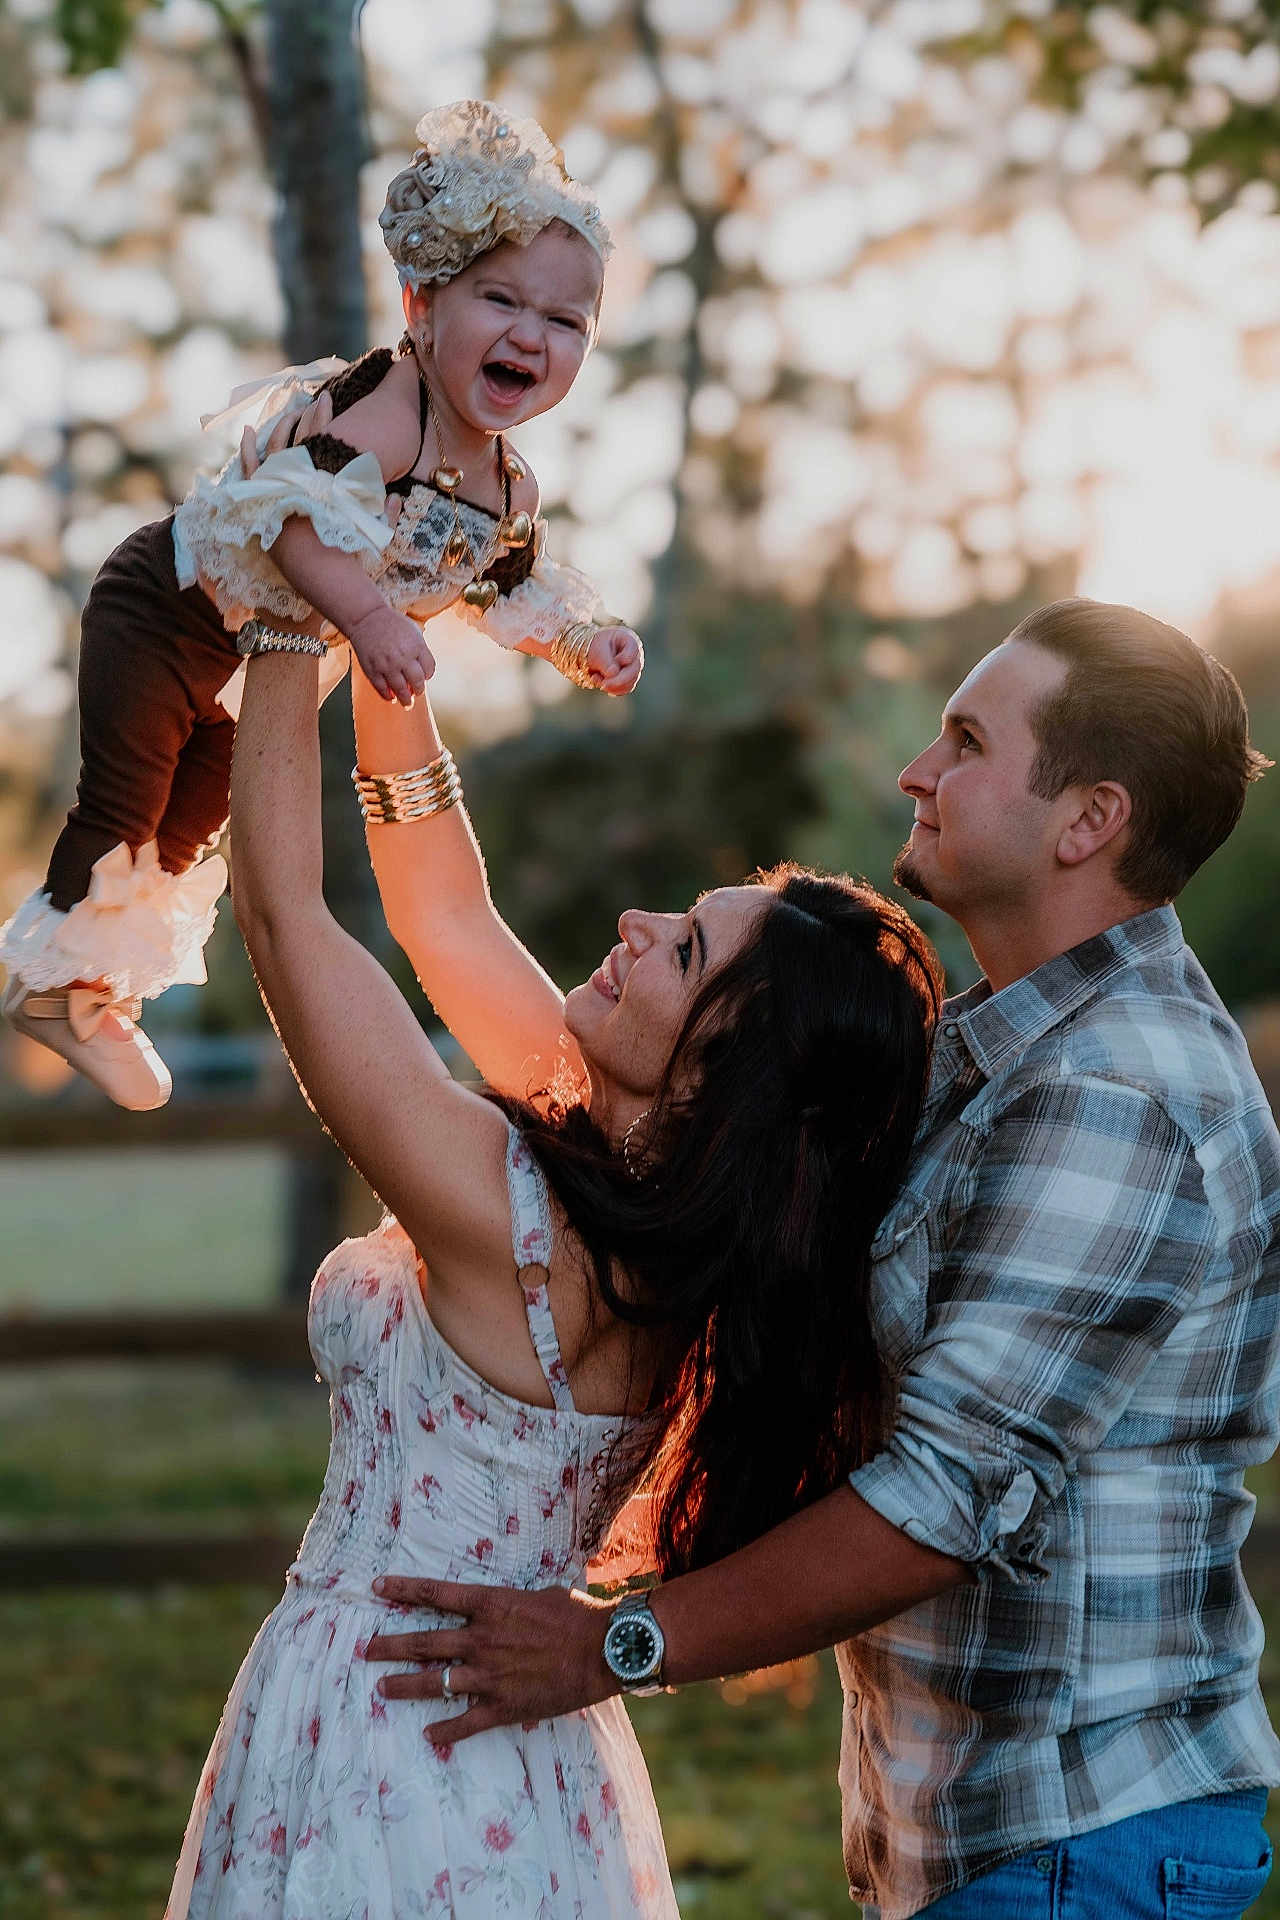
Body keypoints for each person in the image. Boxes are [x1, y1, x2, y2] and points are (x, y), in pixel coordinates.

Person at [362, 599, 1280, 1920]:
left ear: (1089, 821)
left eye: (966, 741)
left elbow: (945, 1502)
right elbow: (492, 973)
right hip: (993, 1838)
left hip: (1080, 1841)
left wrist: (611, 1645)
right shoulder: (991, 1058)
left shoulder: (1118, 1093)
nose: (918, 769)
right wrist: (374, 657)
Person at [161, 606, 943, 1916]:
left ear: (718, 1078)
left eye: (684, 949)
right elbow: (446, 914)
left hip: (387, 1743)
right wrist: (394, 640)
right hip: (513, 1768)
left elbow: (287, 917)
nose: (636, 921)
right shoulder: (635, 1220)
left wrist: (292, 613)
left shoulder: (514, 1223)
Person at [0, 100, 641, 1112]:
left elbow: (501, 586)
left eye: (563, 320)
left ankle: (99, 989)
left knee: (182, 840)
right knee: (125, 805)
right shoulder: (388, 409)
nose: (531, 334)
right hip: (167, 609)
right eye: (499, 301)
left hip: (254, 670)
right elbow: (294, 527)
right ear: (422, 305)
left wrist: (580, 643)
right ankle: (48, 987)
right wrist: (375, 620)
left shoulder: (505, 489)